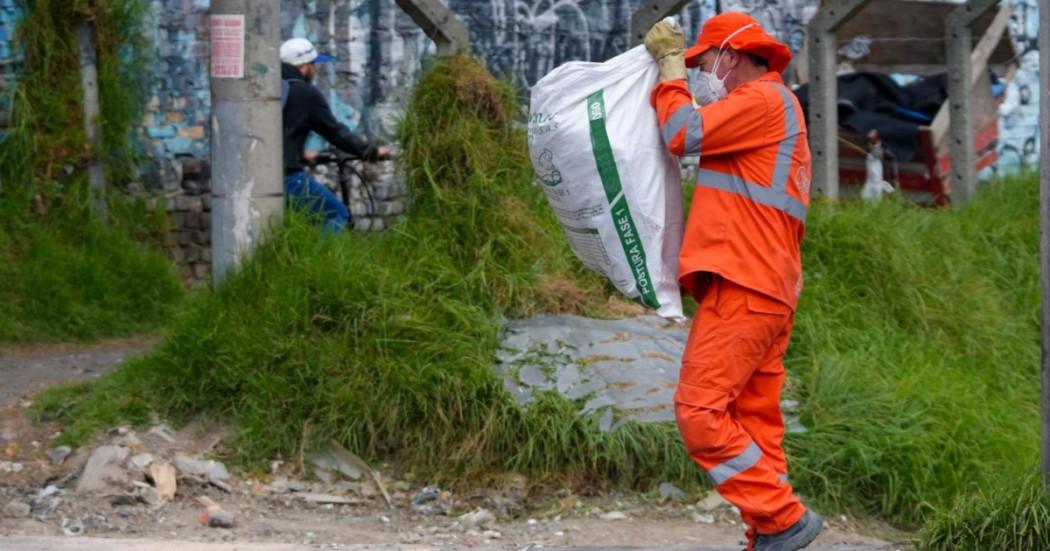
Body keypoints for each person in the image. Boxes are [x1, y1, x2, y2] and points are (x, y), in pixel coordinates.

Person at [644, 12, 819, 551]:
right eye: (692, 63)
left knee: (698, 412)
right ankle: (767, 536)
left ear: (735, 56)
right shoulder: (769, 109)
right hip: (766, 289)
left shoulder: (763, 101)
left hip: (745, 284)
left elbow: (681, 132)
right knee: (754, 423)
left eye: (705, 61)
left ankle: (783, 518)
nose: (702, 72)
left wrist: (669, 70)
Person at [280, 37, 390, 233]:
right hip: (287, 178)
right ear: (304, 66)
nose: (315, 70)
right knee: (335, 213)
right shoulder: (306, 93)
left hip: (262, 177)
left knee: (298, 225)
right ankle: (320, 263)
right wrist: (371, 151)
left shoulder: (272, 90)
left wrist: (297, 152)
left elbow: (281, 129)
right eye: (313, 64)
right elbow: (335, 132)